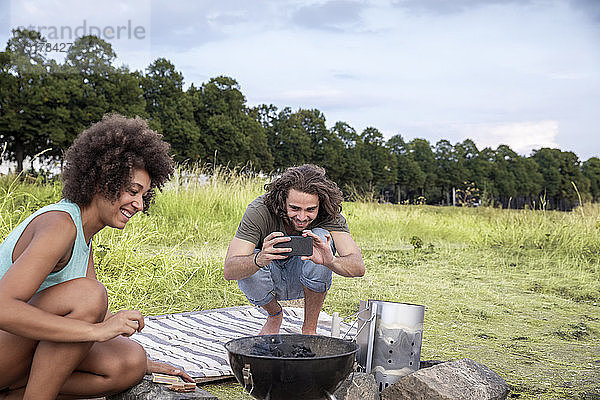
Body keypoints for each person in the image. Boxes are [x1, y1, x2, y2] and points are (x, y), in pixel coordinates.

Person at [0, 114, 193, 400]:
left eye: (144, 196)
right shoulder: (60, 225)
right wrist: (100, 332)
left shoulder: (84, 233)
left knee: (130, 361)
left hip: (17, 354)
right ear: (103, 181)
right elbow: (3, 308)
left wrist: (146, 365)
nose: (139, 205)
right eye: (133, 191)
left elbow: (92, 316)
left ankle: (13, 394)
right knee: (88, 295)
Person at [224, 164, 365, 335]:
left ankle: (309, 329)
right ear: (282, 201)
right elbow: (229, 271)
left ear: (320, 204)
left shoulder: (329, 214)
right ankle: (275, 315)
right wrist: (259, 259)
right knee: (248, 257)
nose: (302, 217)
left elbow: (358, 267)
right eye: (295, 208)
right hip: (268, 278)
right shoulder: (259, 210)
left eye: (310, 210)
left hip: (306, 278)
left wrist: (330, 261)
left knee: (320, 238)